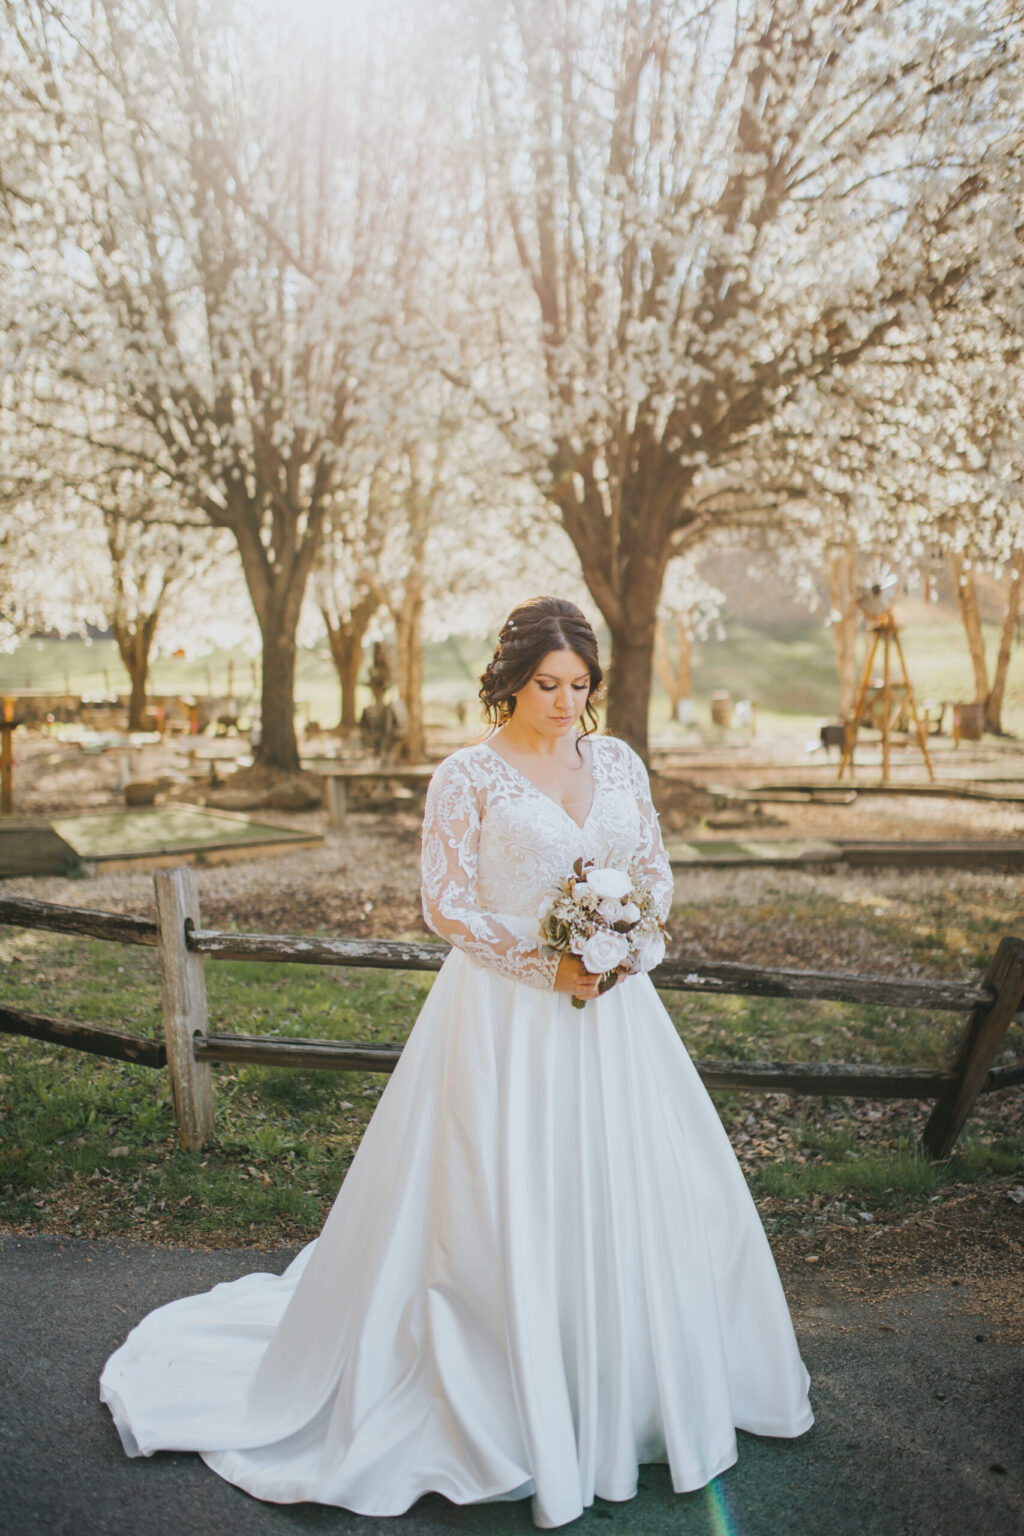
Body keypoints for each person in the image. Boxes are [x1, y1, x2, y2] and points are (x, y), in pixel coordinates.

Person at [99, 595, 813, 1529]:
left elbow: (656, 874)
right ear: (510, 681)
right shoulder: (468, 776)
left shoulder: (619, 761)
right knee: (495, 1198)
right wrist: (546, 958)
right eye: (547, 686)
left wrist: (624, 944)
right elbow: (445, 904)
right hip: (503, 1020)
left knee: (631, 1191)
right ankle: (493, 1394)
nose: (565, 704)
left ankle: (629, 1393)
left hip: (616, 1019)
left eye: (579, 687)